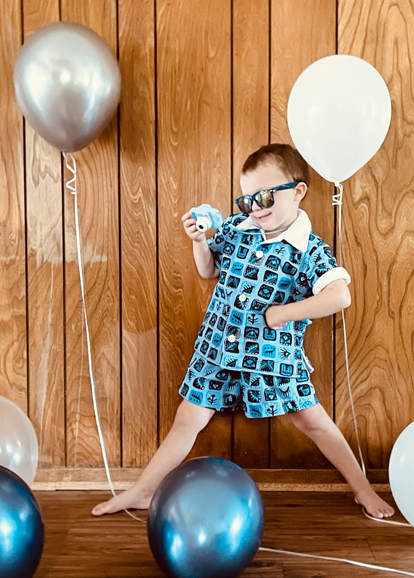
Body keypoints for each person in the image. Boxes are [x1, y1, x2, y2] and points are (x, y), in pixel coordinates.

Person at [92, 143, 394, 519]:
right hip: (216, 345)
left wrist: (281, 313)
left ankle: (363, 489)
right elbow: (208, 271)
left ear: (298, 191)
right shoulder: (237, 229)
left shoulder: (308, 250)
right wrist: (199, 241)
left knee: (311, 419)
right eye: (247, 198)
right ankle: (142, 491)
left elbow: (339, 297)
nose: (256, 207)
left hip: (272, 355)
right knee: (188, 418)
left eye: (266, 196)